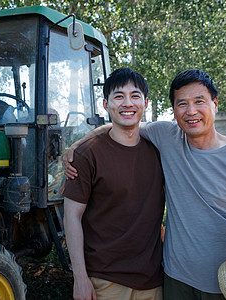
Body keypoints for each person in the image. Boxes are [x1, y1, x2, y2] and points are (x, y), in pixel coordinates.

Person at [64, 69, 226, 299]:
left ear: (215, 104)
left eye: (199, 101)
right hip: (174, 281)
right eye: (182, 104)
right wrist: (77, 146)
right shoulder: (167, 137)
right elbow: (124, 121)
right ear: (174, 110)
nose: (191, 111)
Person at [61, 68, 165, 300]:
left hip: (153, 282)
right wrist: (80, 278)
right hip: (104, 282)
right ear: (106, 105)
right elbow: (72, 217)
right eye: (119, 96)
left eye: (135, 96)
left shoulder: (160, 150)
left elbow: (202, 138)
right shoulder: (87, 154)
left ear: (145, 103)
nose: (127, 103)